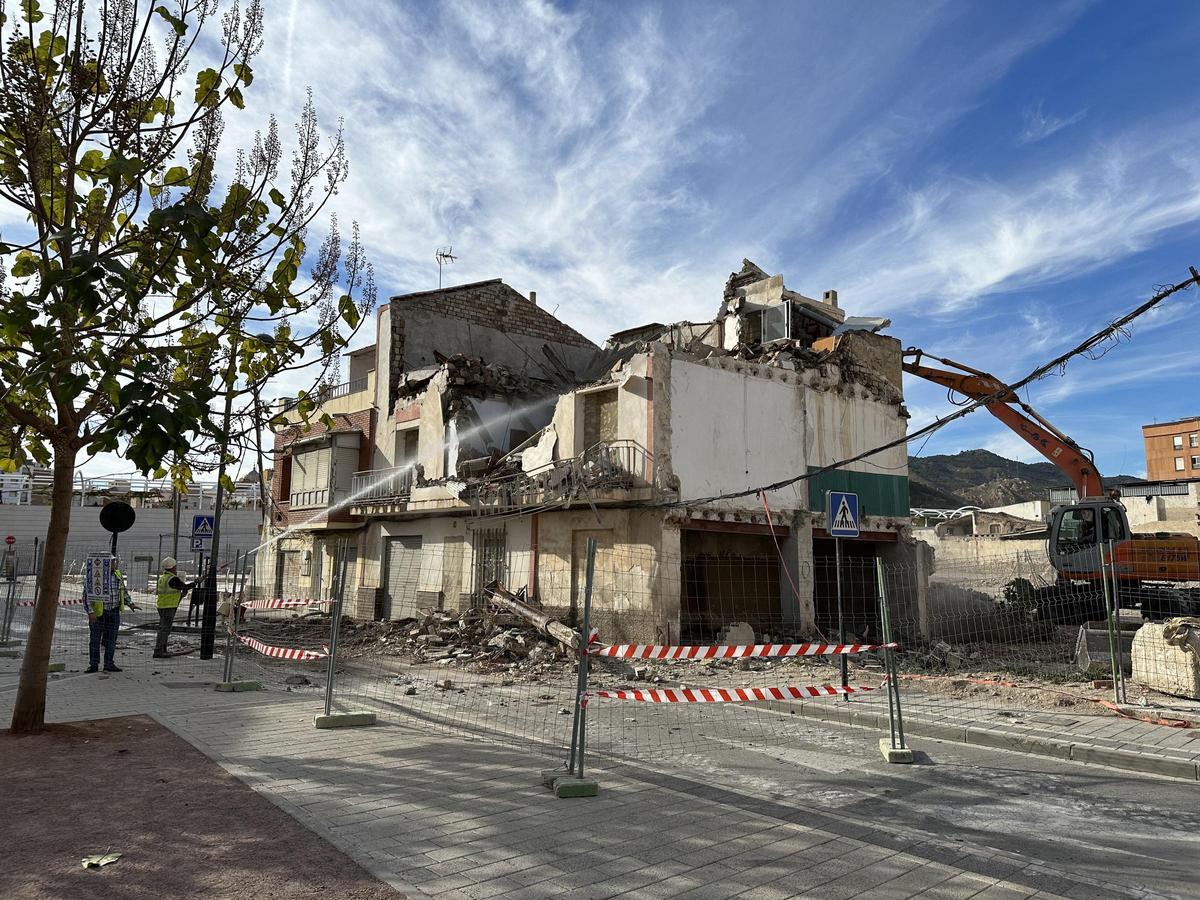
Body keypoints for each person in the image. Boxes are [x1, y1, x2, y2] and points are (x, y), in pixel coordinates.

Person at [85, 556, 138, 674]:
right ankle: (94, 664)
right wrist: (90, 612)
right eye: (113, 561)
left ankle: (109, 663)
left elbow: (122, 591)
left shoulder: (117, 574)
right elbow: (87, 595)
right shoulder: (95, 576)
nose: (115, 563)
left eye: (115, 561)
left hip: (113, 612)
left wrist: (131, 604)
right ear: (105, 563)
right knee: (95, 640)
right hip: (99, 613)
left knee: (111, 639)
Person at [153, 558, 194, 659]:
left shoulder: (163, 578)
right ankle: (159, 651)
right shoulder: (173, 579)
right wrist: (195, 583)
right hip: (168, 607)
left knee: (163, 628)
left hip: (162, 606)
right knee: (165, 629)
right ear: (173, 567)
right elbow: (184, 587)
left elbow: (173, 591)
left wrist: (181, 595)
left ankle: (163, 650)